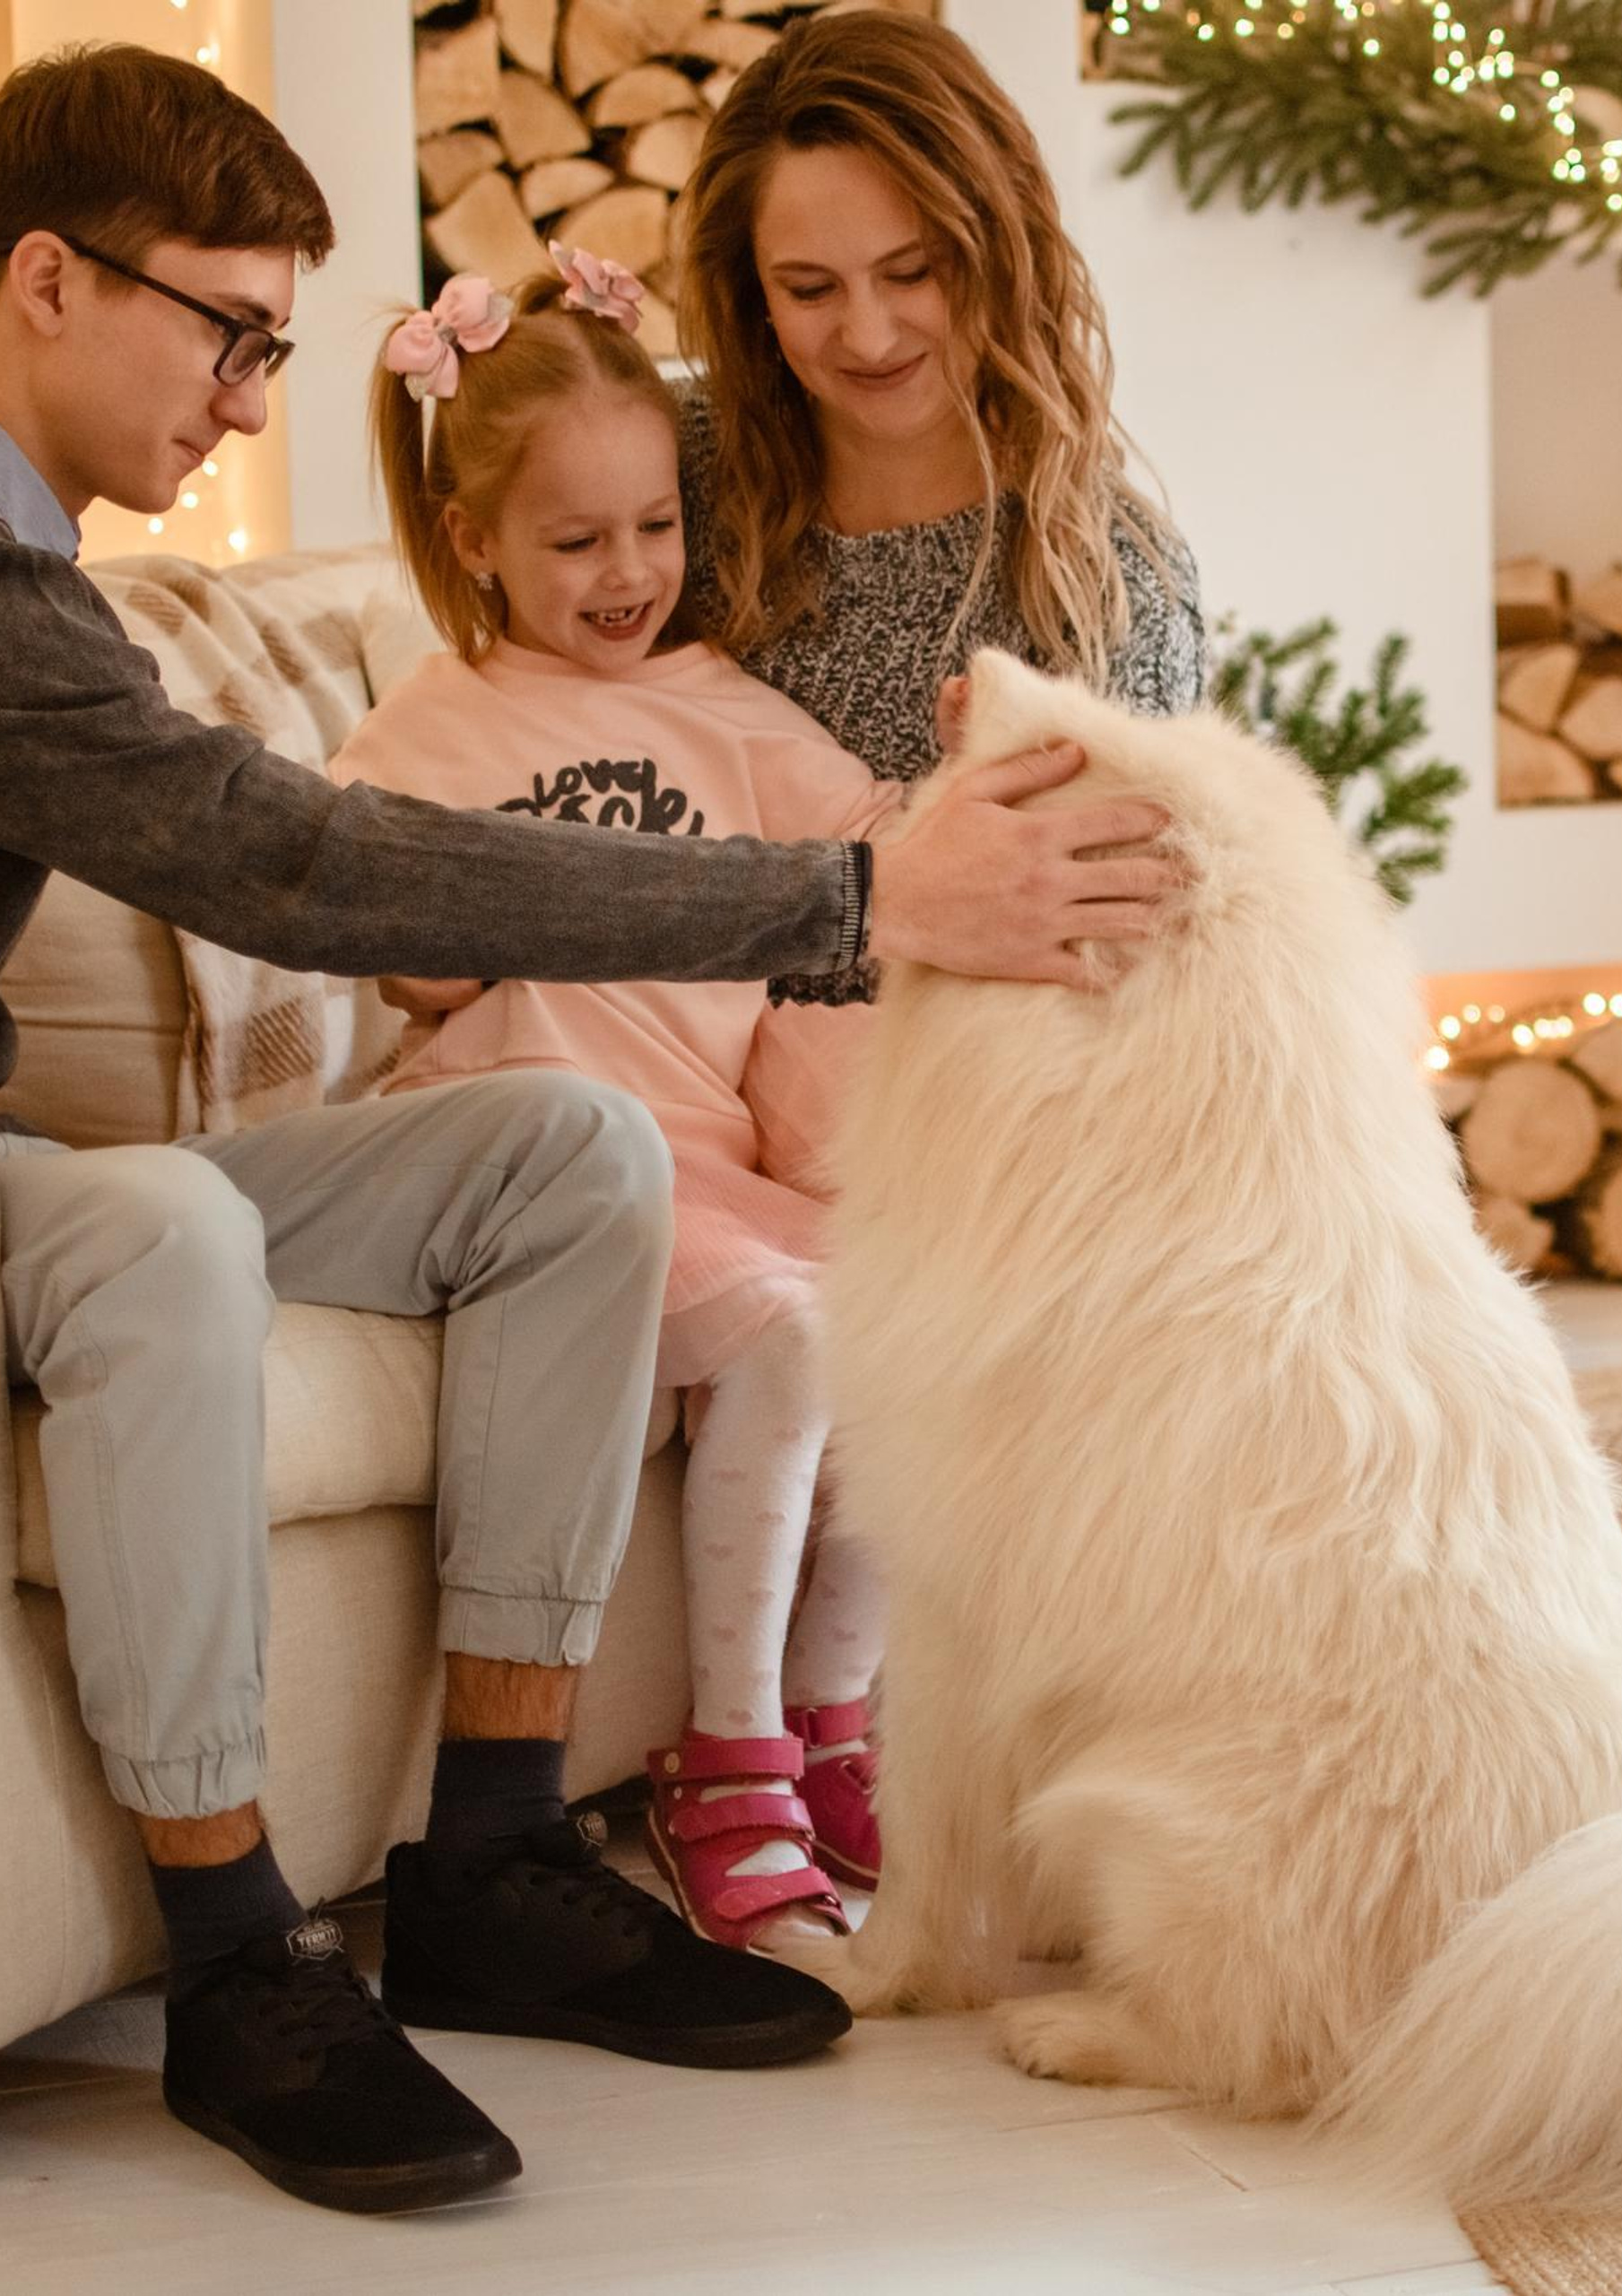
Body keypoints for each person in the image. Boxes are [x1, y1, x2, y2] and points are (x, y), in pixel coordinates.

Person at [0, 41, 1176, 2214]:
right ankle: (239, 1956)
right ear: (50, 283)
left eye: (279, 347)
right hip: (57, 1199)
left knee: (567, 1142)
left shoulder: (49, 577)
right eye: (230, 333)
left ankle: (495, 1844)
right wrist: (847, 892)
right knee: (156, 1220)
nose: (256, 401)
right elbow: (294, 859)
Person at [333, 247, 895, 1953]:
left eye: (654, 526)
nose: (628, 572)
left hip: (721, 1175)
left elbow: (887, 855)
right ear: (473, 541)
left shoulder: (733, 718)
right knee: (798, 1344)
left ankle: (831, 1716)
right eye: (575, 542)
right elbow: (388, 954)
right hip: (559, 1193)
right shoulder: (430, 731)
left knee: (919, 1327)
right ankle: (723, 1761)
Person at [675, 7, 1207, 802]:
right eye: (810, 288)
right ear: (753, 292)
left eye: (913, 272)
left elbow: (1132, 915)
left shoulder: (1111, 586)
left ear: (999, 250)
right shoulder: (658, 475)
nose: (870, 336)